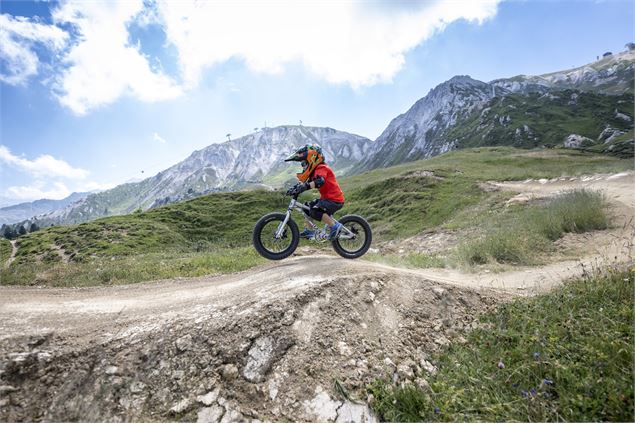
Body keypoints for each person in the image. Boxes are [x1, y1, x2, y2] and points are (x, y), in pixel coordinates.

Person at [284, 144, 344, 240]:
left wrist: (305, 187)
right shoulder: (314, 172)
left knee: (315, 211)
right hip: (327, 199)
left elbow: (320, 181)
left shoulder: (322, 167)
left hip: (334, 200)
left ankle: (335, 226)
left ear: (312, 158)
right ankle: (310, 230)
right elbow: (305, 183)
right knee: (307, 207)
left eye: (304, 163)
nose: (303, 166)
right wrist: (295, 188)